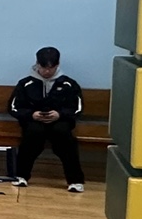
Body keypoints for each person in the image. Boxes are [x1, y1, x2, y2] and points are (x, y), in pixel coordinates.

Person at [9, 46, 85, 193]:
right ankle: (21, 175)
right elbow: (14, 107)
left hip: (60, 122)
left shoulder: (69, 84)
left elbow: (77, 108)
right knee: (31, 135)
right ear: (37, 64)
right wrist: (31, 114)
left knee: (65, 139)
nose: (47, 72)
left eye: (51, 68)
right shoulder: (25, 84)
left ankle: (75, 180)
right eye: (44, 68)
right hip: (34, 122)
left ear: (57, 65)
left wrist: (59, 114)